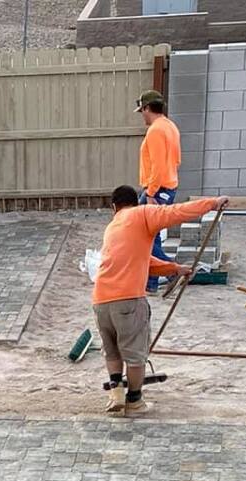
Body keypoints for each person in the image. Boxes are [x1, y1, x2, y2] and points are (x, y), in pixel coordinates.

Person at [93, 185, 227, 415]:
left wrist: (175, 268)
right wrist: (212, 204)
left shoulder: (112, 227)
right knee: (135, 354)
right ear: (135, 202)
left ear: (114, 207)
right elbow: (176, 212)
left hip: (101, 300)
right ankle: (134, 401)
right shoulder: (142, 214)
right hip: (128, 299)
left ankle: (116, 390)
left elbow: (145, 261)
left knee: (113, 351)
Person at [135, 90, 182, 294]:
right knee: (150, 235)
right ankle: (151, 282)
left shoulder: (155, 131)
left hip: (157, 188)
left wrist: (151, 193)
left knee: (144, 235)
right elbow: (176, 160)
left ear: (147, 108)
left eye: (142, 111)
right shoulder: (170, 126)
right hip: (167, 186)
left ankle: (172, 271)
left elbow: (158, 166)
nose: (142, 115)